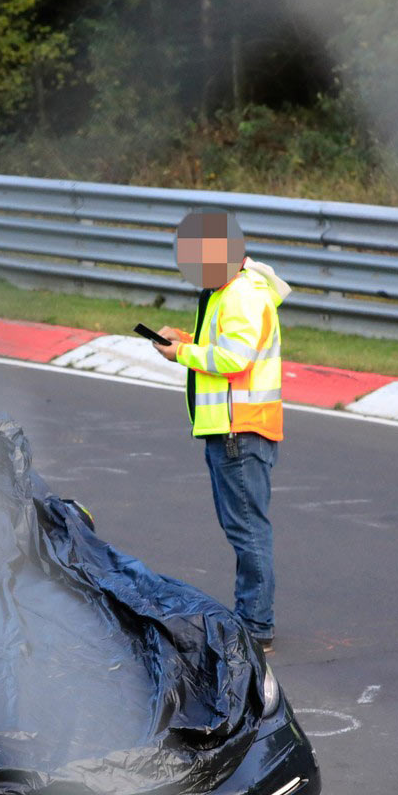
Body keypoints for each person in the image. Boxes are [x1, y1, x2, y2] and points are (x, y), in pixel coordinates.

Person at [150, 211, 291, 651]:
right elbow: (225, 343)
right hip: (232, 430)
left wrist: (182, 355)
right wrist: (185, 337)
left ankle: (256, 624)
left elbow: (234, 359)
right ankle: (252, 618)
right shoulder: (228, 289)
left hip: (239, 431)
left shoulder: (242, 294)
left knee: (248, 531)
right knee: (244, 529)